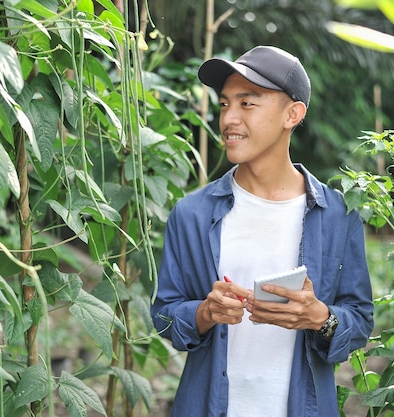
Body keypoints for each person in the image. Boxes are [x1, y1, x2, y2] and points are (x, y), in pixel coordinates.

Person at [151, 45, 374, 417]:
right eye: (224, 104)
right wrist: (205, 312)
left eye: (247, 103)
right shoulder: (191, 213)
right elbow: (165, 317)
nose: (228, 119)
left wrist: (319, 317)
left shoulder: (337, 214)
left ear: (293, 113)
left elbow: (360, 320)